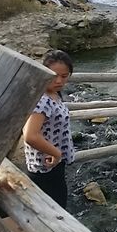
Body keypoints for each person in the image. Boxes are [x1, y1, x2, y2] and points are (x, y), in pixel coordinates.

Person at [23, 50, 76, 210]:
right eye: (53, 75)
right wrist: (56, 153)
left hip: (51, 163)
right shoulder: (42, 100)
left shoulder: (53, 94)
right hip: (45, 166)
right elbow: (30, 135)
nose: (59, 80)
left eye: (64, 76)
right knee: (55, 212)